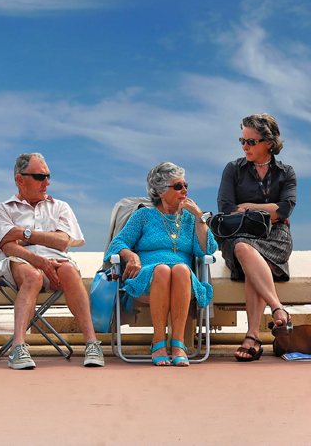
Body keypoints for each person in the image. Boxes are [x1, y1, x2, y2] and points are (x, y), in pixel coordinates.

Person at [0, 153, 103, 370]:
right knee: (32, 276)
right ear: (20, 179)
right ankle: (17, 347)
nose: (47, 182)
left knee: (69, 271)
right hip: (19, 262)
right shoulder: (2, 209)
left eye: (48, 176)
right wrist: (39, 259)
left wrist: (25, 234)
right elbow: (7, 245)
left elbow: (62, 241)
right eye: (40, 177)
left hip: (56, 262)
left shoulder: (60, 206)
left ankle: (92, 342)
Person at [104, 162, 216, 366]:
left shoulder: (190, 219)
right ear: (160, 192)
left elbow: (207, 249)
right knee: (163, 270)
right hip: (148, 279)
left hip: (183, 281)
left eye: (185, 185)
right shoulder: (144, 216)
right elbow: (118, 243)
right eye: (178, 186)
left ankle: (178, 344)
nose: (185, 190)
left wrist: (199, 217)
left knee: (180, 269)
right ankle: (158, 342)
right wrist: (131, 256)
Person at [217, 114, 296, 362]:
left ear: (269, 143)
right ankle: (277, 308)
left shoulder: (286, 172)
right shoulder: (233, 169)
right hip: (238, 235)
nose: (244, 146)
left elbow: (285, 209)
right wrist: (269, 211)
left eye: (251, 141)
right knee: (243, 248)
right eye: (242, 140)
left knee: (254, 262)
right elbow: (226, 209)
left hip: (276, 238)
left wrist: (246, 208)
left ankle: (253, 337)